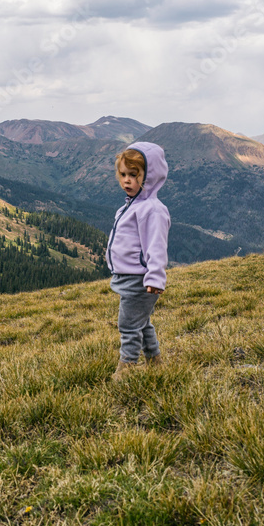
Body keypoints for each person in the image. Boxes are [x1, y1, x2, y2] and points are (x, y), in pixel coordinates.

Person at [105, 142, 170, 381]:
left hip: (139, 279)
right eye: (123, 175)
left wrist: (154, 277)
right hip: (129, 276)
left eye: (134, 175)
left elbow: (156, 246)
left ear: (150, 176)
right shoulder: (134, 205)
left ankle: (127, 369)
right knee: (141, 323)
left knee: (129, 325)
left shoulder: (152, 210)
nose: (127, 181)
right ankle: (155, 361)